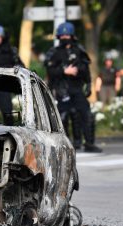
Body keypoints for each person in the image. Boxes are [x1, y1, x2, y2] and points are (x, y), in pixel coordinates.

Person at [44, 22, 101, 152]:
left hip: (77, 88)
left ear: (72, 35)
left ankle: (89, 143)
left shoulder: (79, 50)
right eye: (62, 35)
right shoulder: (54, 52)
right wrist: (64, 71)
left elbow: (86, 69)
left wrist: (88, 83)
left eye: (67, 35)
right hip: (61, 89)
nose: (65, 37)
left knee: (86, 114)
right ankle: (64, 145)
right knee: (62, 117)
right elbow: (50, 71)